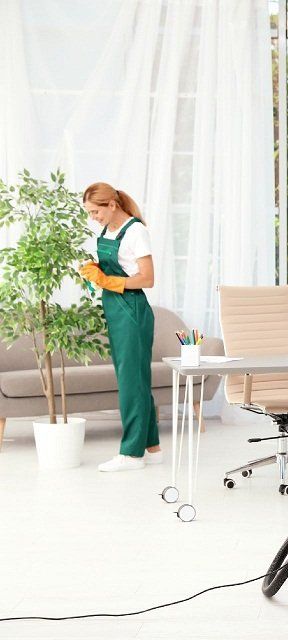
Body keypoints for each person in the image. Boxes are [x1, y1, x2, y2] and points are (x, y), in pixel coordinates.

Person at [79, 183, 162, 472]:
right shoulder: (108, 231)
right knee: (135, 379)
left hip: (132, 310)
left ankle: (131, 454)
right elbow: (117, 268)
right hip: (115, 309)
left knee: (131, 383)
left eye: (95, 211)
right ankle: (152, 448)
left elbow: (147, 278)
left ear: (111, 205)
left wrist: (108, 281)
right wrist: (95, 272)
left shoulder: (135, 231)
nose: (93, 218)